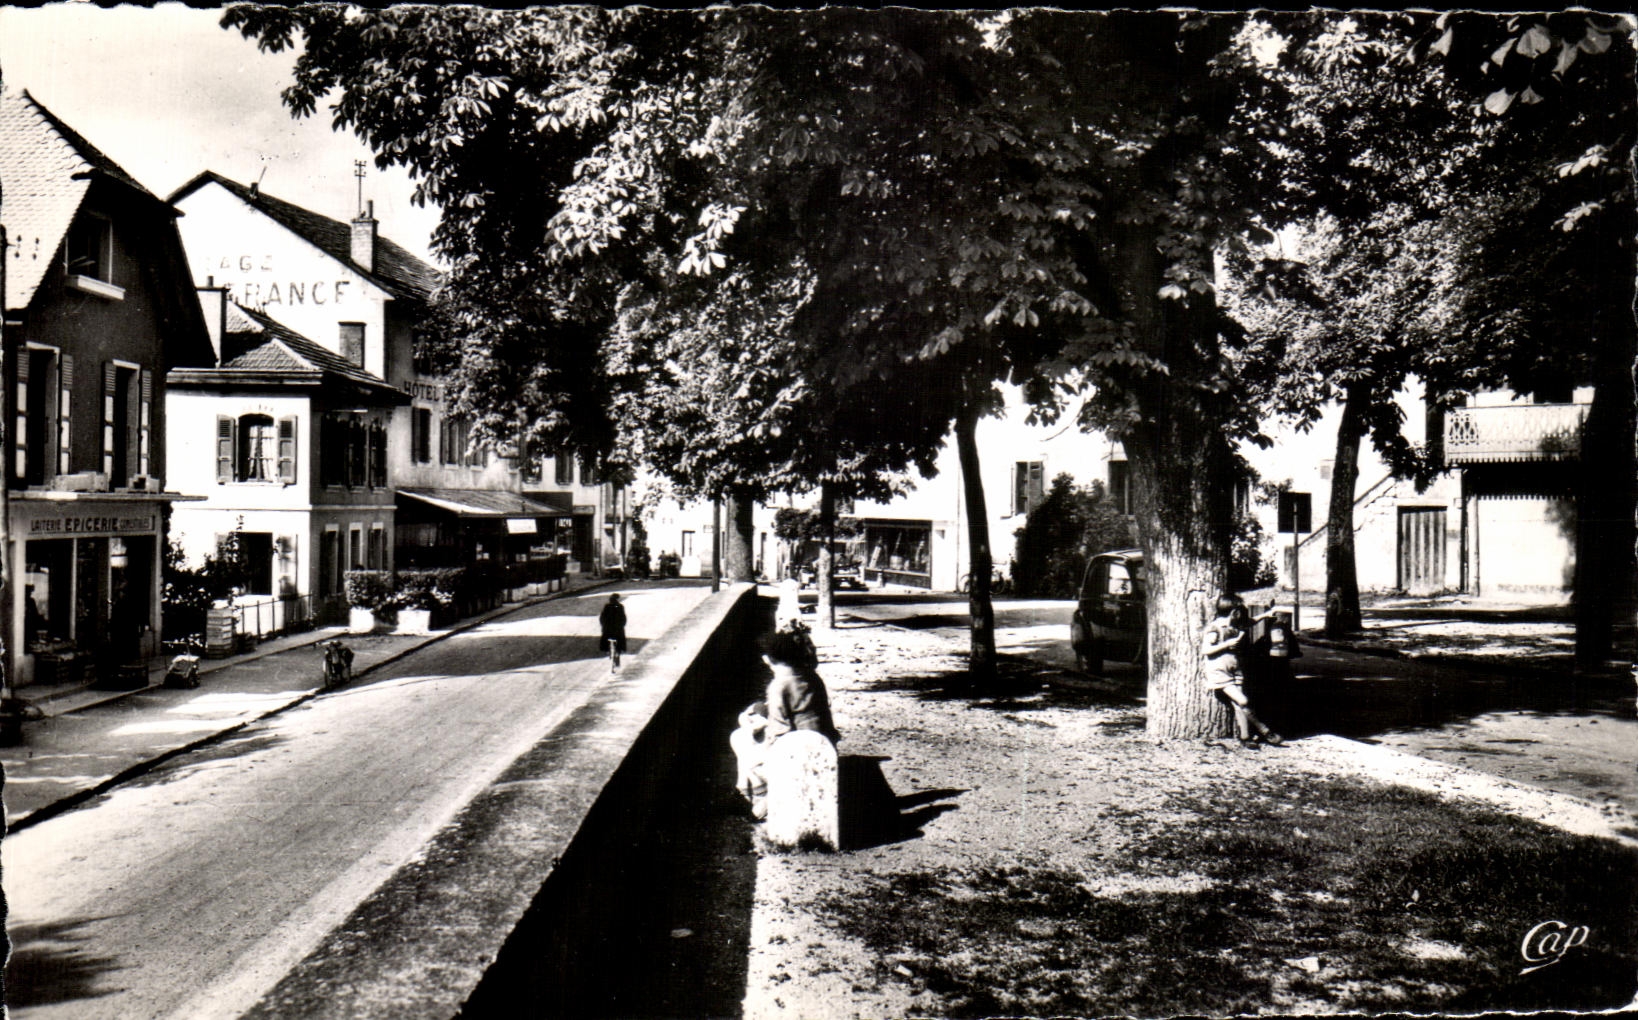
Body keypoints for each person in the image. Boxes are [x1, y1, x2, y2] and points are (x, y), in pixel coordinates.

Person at [1201, 594, 1284, 749]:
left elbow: (1250, 622)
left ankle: (1245, 737)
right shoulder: (1214, 628)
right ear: (1234, 612)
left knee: (1239, 704)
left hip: (1235, 670)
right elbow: (1206, 650)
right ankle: (1265, 731)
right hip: (1220, 673)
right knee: (1243, 701)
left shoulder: (1235, 625)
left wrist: (1266, 614)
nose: (1241, 615)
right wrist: (1227, 644)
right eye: (1239, 611)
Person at [763, 621, 840, 744]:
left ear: (768, 660)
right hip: (825, 744)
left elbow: (779, 729)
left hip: (802, 750)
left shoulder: (778, 686)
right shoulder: (812, 677)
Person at [599, 592, 628, 671]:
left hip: (608, 629)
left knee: (604, 637)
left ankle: (605, 649)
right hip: (617, 629)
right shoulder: (620, 606)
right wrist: (622, 626)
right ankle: (619, 651)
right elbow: (623, 618)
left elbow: (602, 617)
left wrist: (603, 625)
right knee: (621, 639)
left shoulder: (607, 606)